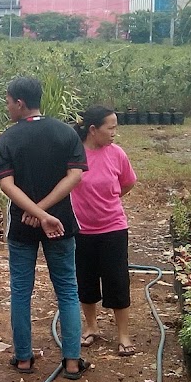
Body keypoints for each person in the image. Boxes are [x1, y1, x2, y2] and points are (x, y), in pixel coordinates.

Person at [0, 76, 89, 380]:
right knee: (68, 291)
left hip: (23, 226)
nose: (7, 107)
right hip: (60, 224)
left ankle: (23, 359)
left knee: (21, 291)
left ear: (20, 103)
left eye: (8, 102)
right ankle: (72, 361)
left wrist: (34, 212)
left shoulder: (8, 139)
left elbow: (7, 185)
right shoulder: (65, 133)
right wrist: (46, 212)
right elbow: (75, 176)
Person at [70, 105, 138, 357]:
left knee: (117, 281)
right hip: (81, 230)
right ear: (92, 129)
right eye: (110, 128)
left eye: (115, 128)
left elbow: (128, 183)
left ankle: (123, 335)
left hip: (113, 228)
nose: (113, 133)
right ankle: (91, 327)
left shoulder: (117, 154)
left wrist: (110, 199)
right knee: (85, 280)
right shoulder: (75, 155)